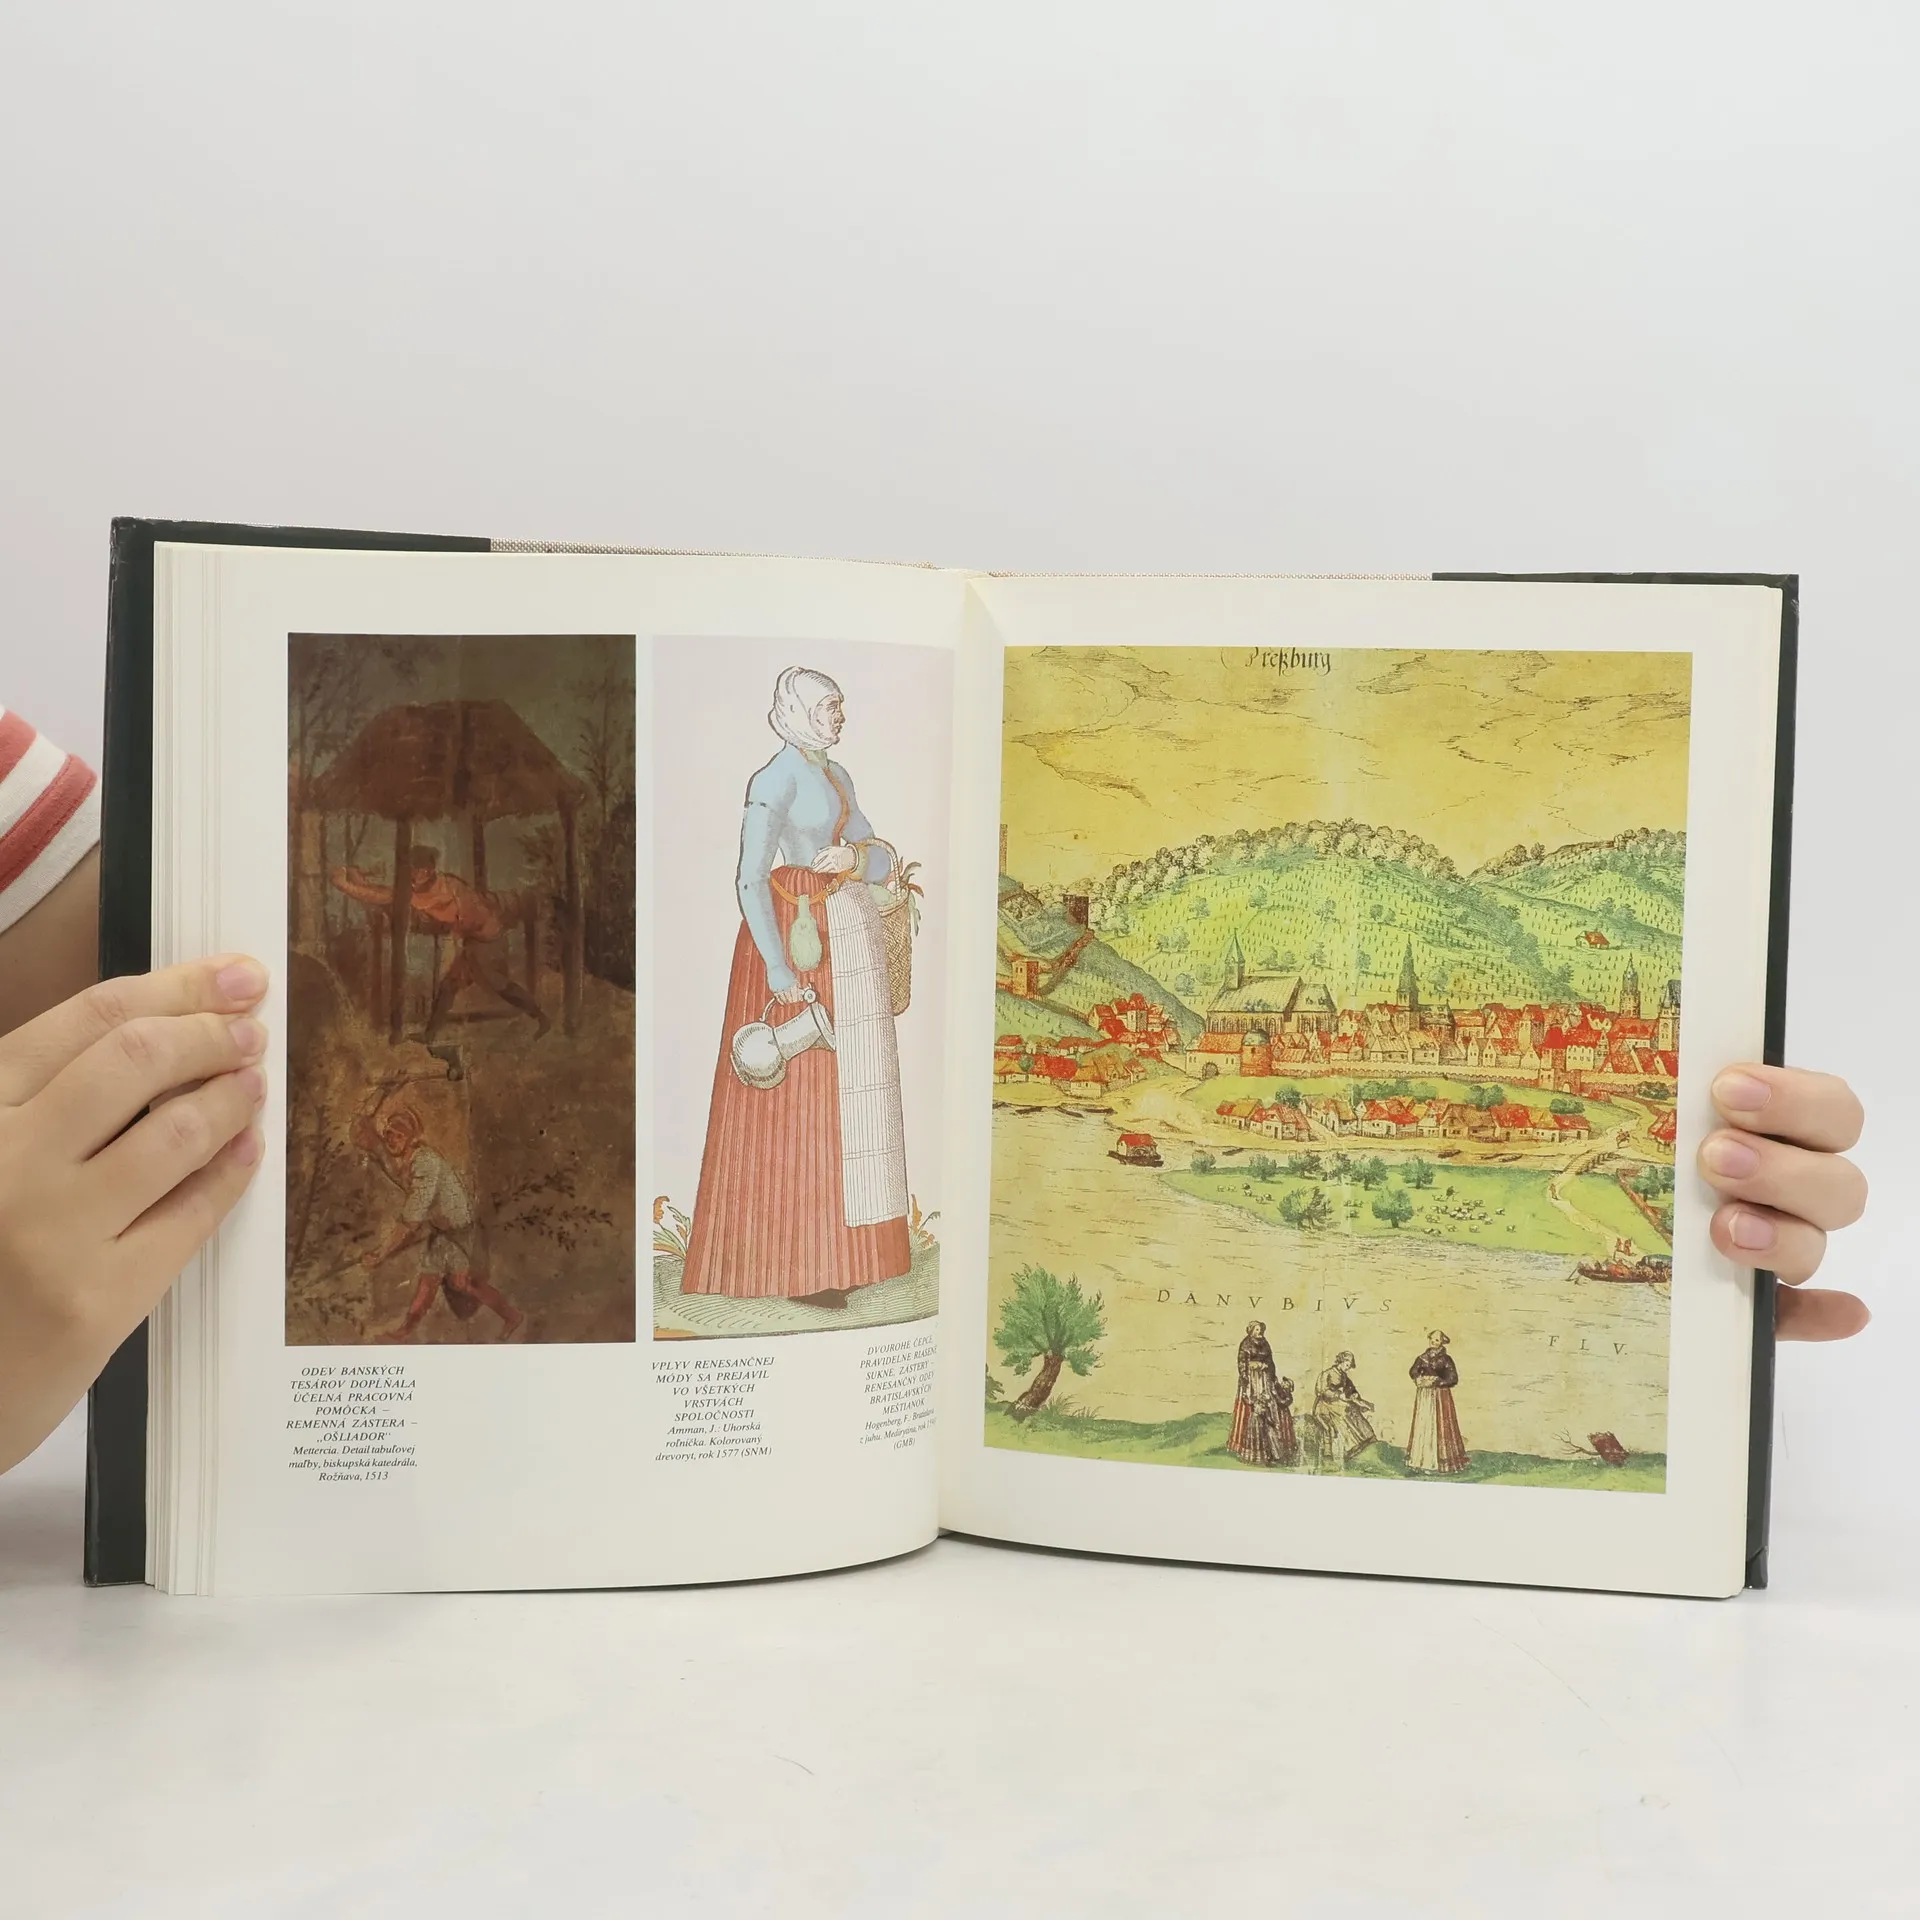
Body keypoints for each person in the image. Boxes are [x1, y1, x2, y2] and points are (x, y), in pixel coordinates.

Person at [0, 703, 1883, 1476]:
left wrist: (1676, 1180)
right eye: (817, 712)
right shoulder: (769, 809)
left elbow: (155, 1010)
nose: (824, 727)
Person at [679, 667, 911, 1310]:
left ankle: (850, 1256)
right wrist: (779, 972)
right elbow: (750, 878)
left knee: (846, 1099)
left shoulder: (838, 775)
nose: (840, 716)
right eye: (830, 706)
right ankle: (796, 1268)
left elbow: (879, 855)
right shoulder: (773, 779)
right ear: (800, 710)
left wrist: (855, 860)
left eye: (840, 705)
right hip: (790, 936)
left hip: (842, 934)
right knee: (798, 1100)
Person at [331, 845, 548, 1041]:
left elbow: (386, 896)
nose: (410, 873)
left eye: (414, 869)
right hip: (474, 940)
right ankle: (430, 1035)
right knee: (449, 986)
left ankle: (541, 1017)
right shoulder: (435, 884)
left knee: (498, 984)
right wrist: (358, 880)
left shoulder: (440, 892)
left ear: (426, 871)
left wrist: (345, 885)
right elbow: (386, 894)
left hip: (486, 941)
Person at [354, 1102, 524, 1343]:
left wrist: (381, 1254)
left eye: (399, 1136)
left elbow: (411, 1220)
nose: (392, 1140)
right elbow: (391, 1167)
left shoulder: (426, 1164)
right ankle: (404, 1332)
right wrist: (372, 1142)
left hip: (459, 1232)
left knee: (464, 1283)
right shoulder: (408, 1162)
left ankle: (512, 1316)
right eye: (389, 1134)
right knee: (428, 1283)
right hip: (441, 1232)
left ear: (411, 1139)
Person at [1229, 1320, 1297, 1466]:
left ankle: (1274, 1448)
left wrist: (1271, 1376)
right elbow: (1242, 1363)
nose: (1259, 1332)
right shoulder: (1245, 1344)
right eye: (1256, 1329)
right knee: (1254, 1408)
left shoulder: (1265, 1343)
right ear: (1250, 1331)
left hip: (1265, 1378)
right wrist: (1248, 1374)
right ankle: (1251, 1448)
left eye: (1260, 1329)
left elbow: (1270, 1362)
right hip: (1251, 1379)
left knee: (1270, 1406)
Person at [1406, 1331, 1470, 1475]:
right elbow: (1413, 1371)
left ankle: (1438, 1463)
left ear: (1442, 1342)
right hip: (1424, 1396)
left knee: (1439, 1426)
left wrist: (1437, 1381)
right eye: (1432, 1339)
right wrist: (1418, 1378)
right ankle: (1420, 1461)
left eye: (1437, 1340)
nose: (1433, 1342)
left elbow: (1453, 1378)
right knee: (1423, 1425)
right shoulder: (1422, 1357)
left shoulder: (1446, 1359)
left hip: (1440, 1396)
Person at [1313, 1351, 1378, 1464]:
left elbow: (1351, 1389)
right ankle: (1351, 1446)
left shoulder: (1344, 1376)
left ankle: (1367, 1437)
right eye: (1347, 1365)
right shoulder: (1327, 1374)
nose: (1348, 1368)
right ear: (1341, 1361)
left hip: (1338, 1403)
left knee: (1352, 1408)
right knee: (1345, 1411)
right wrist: (1338, 1395)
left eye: (1349, 1366)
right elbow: (1321, 1391)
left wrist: (1355, 1395)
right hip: (1324, 1404)